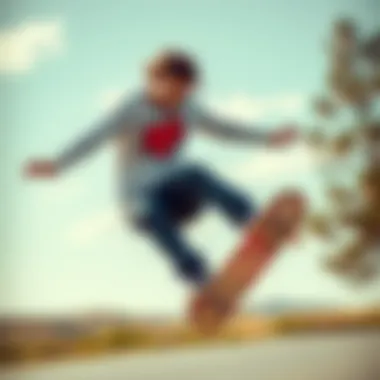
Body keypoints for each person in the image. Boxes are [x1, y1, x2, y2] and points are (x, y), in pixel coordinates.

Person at [24, 49, 297, 287]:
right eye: (173, 90)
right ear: (153, 82)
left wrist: (267, 138)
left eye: (184, 91)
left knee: (197, 172)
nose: (177, 99)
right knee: (148, 208)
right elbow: (96, 135)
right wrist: (58, 164)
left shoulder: (188, 107)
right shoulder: (132, 108)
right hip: (140, 205)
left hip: (178, 198)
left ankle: (252, 223)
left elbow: (224, 129)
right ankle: (197, 274)